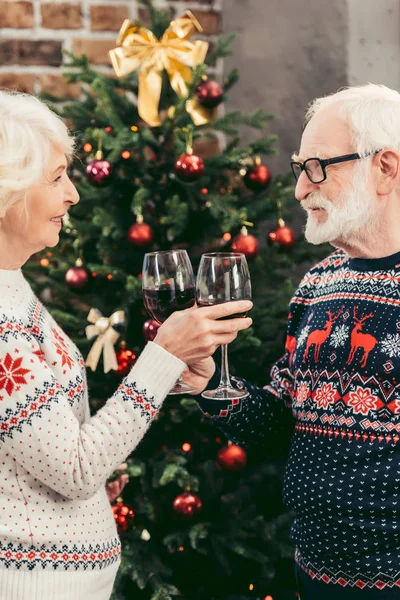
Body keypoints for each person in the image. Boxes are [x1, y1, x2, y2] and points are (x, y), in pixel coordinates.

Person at [0, 89, 253, 600]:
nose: (73, 194)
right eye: (56, 178)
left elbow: (48, 458)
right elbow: (74, 468)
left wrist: (94, 487)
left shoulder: (12, 284)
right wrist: (164, 357)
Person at [189, 83, 400, 599]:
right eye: (300, 169)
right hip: (313, 572)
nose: (301, 191)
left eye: (318, 167)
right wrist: (211, 385)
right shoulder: (319, 284)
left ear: (386, 168)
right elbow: (285, 426)